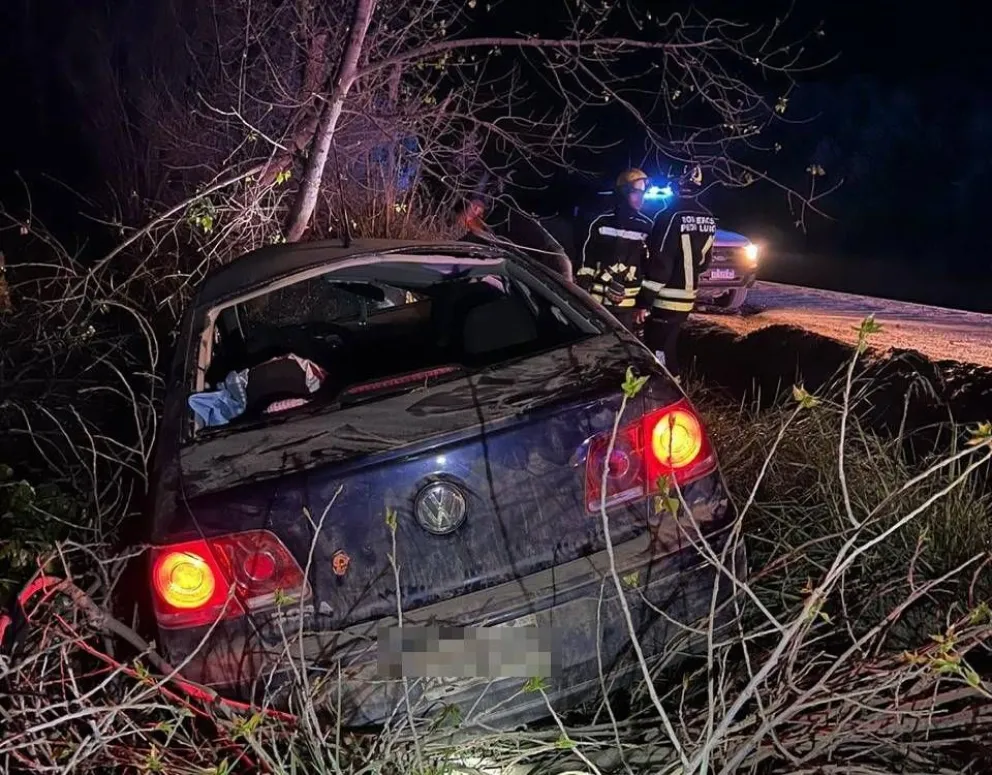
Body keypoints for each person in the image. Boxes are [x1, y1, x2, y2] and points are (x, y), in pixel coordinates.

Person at [638, 166, 717, 381]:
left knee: (658, 350)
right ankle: (674, 391)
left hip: (665, 298)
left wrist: (644, 300)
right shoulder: (709, 218)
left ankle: (663, 393)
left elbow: (661, 263)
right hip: (688, 296)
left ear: (675, 186)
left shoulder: (668, 217)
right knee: (669, 347)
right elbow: (704, 263)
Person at [575, 168, 655, 331]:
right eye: (636, 193)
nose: (641, 199)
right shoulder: (601, 223)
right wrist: (582, 296)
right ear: (624, 193)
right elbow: (586, 261)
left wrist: (643, 304)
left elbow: (650, 267)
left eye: (642, 194)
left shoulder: (646, 227)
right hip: (597, 305)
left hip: (629, 309)